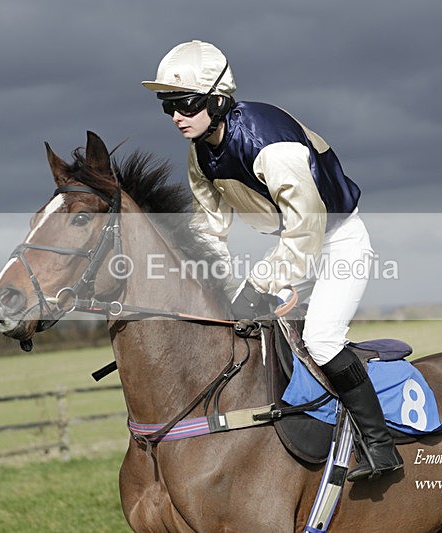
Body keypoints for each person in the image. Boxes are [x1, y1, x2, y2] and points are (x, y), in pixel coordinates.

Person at [142, 40, 402, 481]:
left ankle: (380, 445)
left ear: (217, 100)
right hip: (293, 245)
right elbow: (209, 230)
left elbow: (307, 229)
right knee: (247, 329)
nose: (176, 116)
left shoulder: (270, 144)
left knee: (321, 339)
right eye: (168, 106)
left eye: (185, 103)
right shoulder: (200, 152)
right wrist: (212, 288)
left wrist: (259, 284)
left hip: (337, 241)